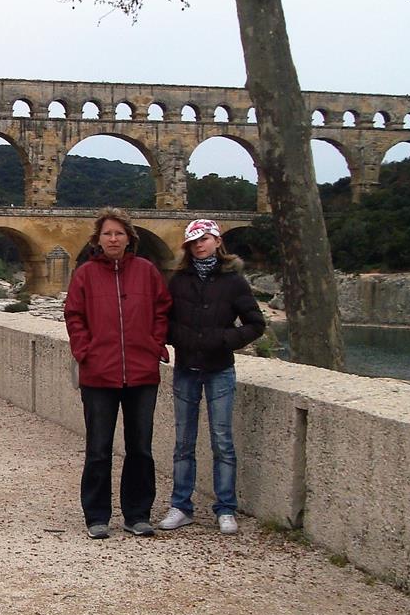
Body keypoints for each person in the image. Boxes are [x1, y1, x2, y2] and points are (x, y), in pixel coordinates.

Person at [64, 208, 172, 540]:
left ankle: (137, 514)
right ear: (98, 239)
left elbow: (162, 309)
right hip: (99, 373)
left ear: (129, 239)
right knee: (99, 448)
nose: (113, 239)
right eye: (107, 233)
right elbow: (73, 315)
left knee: (141, 447)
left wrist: (154, 344)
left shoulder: (147, 271)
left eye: (119, 233)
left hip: (142, 371)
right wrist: (86, 352)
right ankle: (96, 515)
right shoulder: (85, 274)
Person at [160, 219, 265, 536]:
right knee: (183, 442)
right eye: (193, 241)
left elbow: (255, 323)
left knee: (222, 441)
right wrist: (179, 337)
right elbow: (163, 320)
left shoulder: (234, 282)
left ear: (217, 241)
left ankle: (226, 508)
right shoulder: (178, 281)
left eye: (204, 239)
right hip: (186, 368)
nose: (199, 245)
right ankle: (181, 506)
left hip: (220, 368)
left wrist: (224, 339)